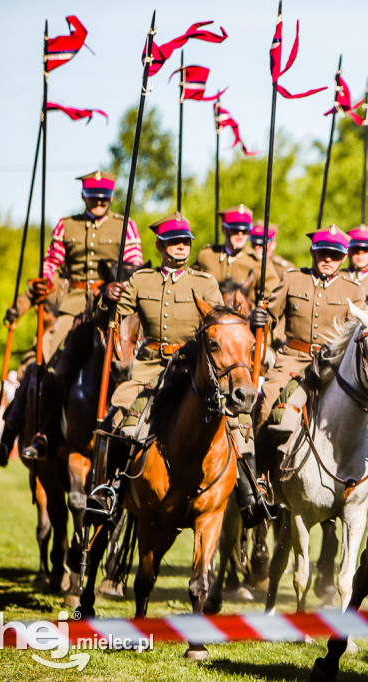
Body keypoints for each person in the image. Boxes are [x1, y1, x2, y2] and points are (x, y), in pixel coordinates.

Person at [95, 212, 268, 526]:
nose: (180, 247)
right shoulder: (140, 280)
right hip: (149, 367)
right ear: (160, 245)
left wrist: (248, 318)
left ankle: (250, 494)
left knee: (237, 421)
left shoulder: (204, 283)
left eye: (185, 242)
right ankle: (112, 488)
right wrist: (105, 300)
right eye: (173, 242)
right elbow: (110, 319)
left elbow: (221, 324)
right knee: (122, 415)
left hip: (192, 368)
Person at [6, 170, 143, 463]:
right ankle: (44, 433)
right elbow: (51, 263)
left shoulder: (125, 226)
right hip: (75, 304)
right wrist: (44, 281)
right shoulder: (66, 225)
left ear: (110, 199)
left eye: (104, 200)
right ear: (84, 197)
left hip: (114, 303)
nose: (98, 204)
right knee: (49, 356)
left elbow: (135, 267)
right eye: (93, 199)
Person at [252, 226, 366, 431]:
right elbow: (270, 317)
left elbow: (359, 334)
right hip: (292, 359)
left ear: (343, 258)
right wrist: (258, 318)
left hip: (334, 363)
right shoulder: (291, 279)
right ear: (313, 252)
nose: (328, 259)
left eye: (335, 255)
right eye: (323, 252)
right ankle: (258, 462)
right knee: (267, 406)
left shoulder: (354, 290)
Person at [194, 204, 279, 295]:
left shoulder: (259, 262)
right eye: (234, 230)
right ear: (223, 229)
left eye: (244, 231)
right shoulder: (207, 256)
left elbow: (272, 298)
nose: (240, 234)